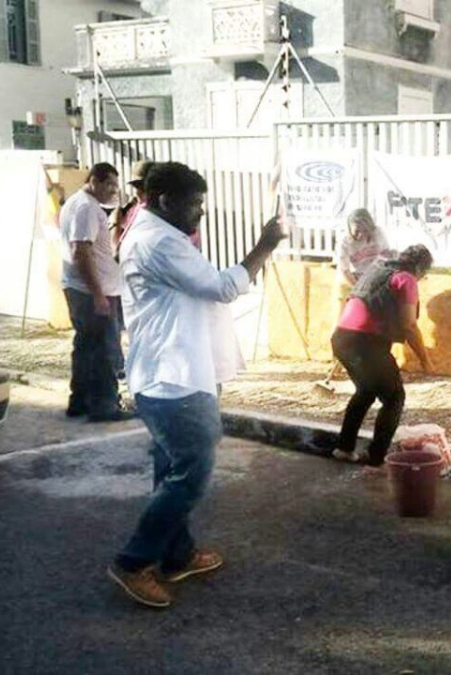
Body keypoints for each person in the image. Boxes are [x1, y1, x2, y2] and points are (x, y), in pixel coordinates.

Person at [107, 162, 285, 608]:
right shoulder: (158, 241)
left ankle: (177, 554)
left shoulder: (160, 233)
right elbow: (223, 287)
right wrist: (264, 246)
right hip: (174, 377)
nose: (201, 212)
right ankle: (133, 561)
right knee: (192, 472)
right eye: (195, 203)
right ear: (165, 200)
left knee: (171, 468)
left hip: (181, 369)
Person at [331, 245, 435, 467]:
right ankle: (377, 457)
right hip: (366, 343)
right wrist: (425, 360)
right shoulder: (406, 279)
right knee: (394, 397)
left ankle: (344, 448)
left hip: (342, 339)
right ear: (419, 268)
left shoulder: (377, 270)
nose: (422, 278)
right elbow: (409, 325)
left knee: (366, 391)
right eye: (424, 273)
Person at [59, 162, 129, 422]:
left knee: (86, 347)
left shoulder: (78, 203)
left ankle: (80, 401)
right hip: (90, 291)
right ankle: (104, 406)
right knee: (104, 350)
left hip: (82, 288)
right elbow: (81, 251)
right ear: (94, 181)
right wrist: (98, 294)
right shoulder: (86, 208)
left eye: (115, 184)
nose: (113, 190)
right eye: (109, 184)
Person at [321, 209, 394, 387]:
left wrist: (376, 281)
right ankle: (337, 362)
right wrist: (359, 288)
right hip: (349, 281)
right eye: (356, 230)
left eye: (363, 230)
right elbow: (344, 269)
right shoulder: (344, 242)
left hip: (374, 280)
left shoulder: (378, 234)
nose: (359, 234)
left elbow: (386, 256)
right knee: (342, 323)